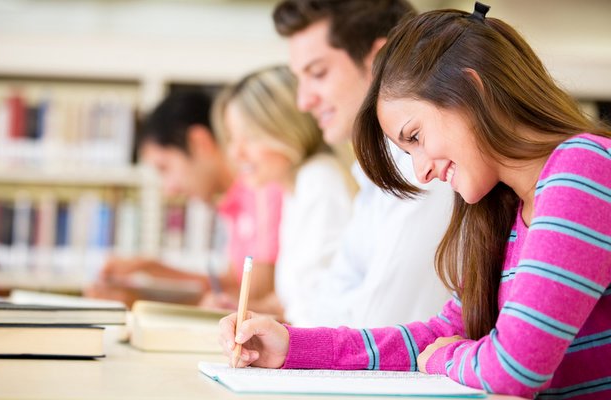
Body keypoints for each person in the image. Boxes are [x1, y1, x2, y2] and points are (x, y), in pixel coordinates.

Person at [219, 4, 611, 399]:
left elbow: (513, 368)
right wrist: (291, 346)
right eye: (408, 153)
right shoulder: (500, 210)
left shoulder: (583, 167)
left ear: (472, 90)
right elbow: (439, 335)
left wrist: (448, 356)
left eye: (416, 137)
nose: (421, 171)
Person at [271, 0, 454, 327]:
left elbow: (379, 327)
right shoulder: (376, 175)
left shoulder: (427, 171)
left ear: (378, 60)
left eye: (318, 73)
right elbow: (324, 307)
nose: (303, 101)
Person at [87, 90, 283, 308]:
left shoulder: (264, 190)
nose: (169, 189)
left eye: (165, 168)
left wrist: (144, 295)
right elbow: (228, 286)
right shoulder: (233, 204)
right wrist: (147, 272)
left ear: (199, 142)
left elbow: (251, 297)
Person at [212, 65, 353, 323]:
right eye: (232, 138)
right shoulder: (295, 187)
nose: (236, 154)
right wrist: (244, 308)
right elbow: (301, 298)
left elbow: (320, 315)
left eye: (250, 137)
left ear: (286, 127)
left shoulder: (318, 181)